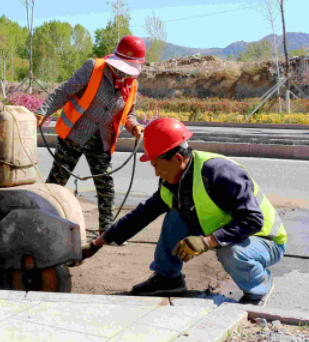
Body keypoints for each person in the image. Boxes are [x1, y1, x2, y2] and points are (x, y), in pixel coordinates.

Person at [80, 118, 287, 306]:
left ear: (178, 159)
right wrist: (97, 244)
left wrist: (207, 241)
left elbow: (253, 220)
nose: (156, 172)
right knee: (175, 215)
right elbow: (141, 215)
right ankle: (168, 280)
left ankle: (259, 291)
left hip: (264, 240)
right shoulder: (174, 182)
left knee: (231, 253)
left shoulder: (219, 173)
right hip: (231, 234)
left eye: (157, 165)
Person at [34, 35, 146, 234]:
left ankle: (107, 230)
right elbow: (64, 92)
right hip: (74, 134)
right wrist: (43, 111)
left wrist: (135, 126)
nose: (123, 73)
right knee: (57, 181)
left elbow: (129, 113)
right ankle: (42, 222)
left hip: (102, 139)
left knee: (106, 186)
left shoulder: (131, 84)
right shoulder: (93, 68)